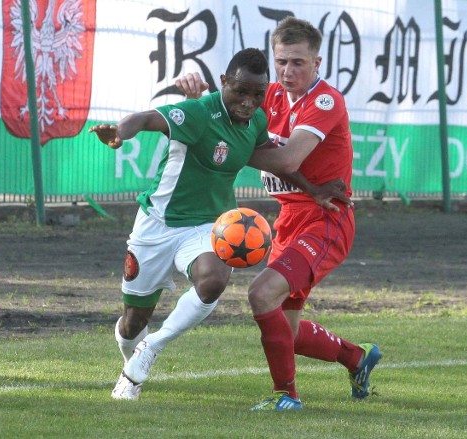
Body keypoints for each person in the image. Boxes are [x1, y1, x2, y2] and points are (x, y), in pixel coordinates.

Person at [89, 48, 349, 401]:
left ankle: (150, 350)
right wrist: (119, 132)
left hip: (207, 227)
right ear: (224, 83)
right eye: (240, 92)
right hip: (157, 224)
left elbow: (271, 161)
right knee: (132, 321)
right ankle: (131, 362)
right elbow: (146, 118)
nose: (248, 102)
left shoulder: (257, 121)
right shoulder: (198, 112)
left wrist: (314, 190)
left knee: (213, 280)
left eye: (257, 95)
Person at [176, 17, 381, 411]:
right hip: (288, 220)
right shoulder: (265, 95)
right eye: (282, 61)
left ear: (317, 62)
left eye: (298, 63)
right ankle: (356, 357)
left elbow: (287, 158)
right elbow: (217, 113)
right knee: (285, 330)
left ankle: (286, 396)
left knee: (261, 292)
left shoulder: (325, 101)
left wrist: (230, 145)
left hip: (326, 219)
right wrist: (195, 93)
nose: (288, 71)